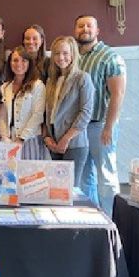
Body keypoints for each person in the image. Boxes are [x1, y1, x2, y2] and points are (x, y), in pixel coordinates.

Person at [74, 15, 127, 213]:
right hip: (80, 127)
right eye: (80, 26)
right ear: (75, 30)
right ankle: (94, 218)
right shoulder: (75, 57)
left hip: (100, 125)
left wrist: (109, 126)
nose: (84, 29)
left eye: (89, 26)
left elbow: (118, 93)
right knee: (86, 175)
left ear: (97, 31)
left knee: (106, 174)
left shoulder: (110, 57)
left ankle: (113, 221)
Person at [43, 36, 94, 187]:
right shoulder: (51, 81)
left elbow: (85, 112)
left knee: (70, 190)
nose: (61, 57)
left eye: (65, 53)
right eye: (57, 53)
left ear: (73, 55)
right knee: (56, 189)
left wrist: (66, 139)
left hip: (74, 144)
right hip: (53, 143)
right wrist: (47, 137)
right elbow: (47, 113)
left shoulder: (82, 78)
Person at [0, 46, 48, 160]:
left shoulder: (38, 86)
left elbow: (38, 115)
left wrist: (21, 139)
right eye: (15, 60)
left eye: (23, 60)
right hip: (9, 141)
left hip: (30, 139)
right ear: (10, 63)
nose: (19, 63)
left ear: (29, 63)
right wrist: (4, 137)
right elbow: (2, 115)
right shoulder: (5, 87)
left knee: (30, 176)